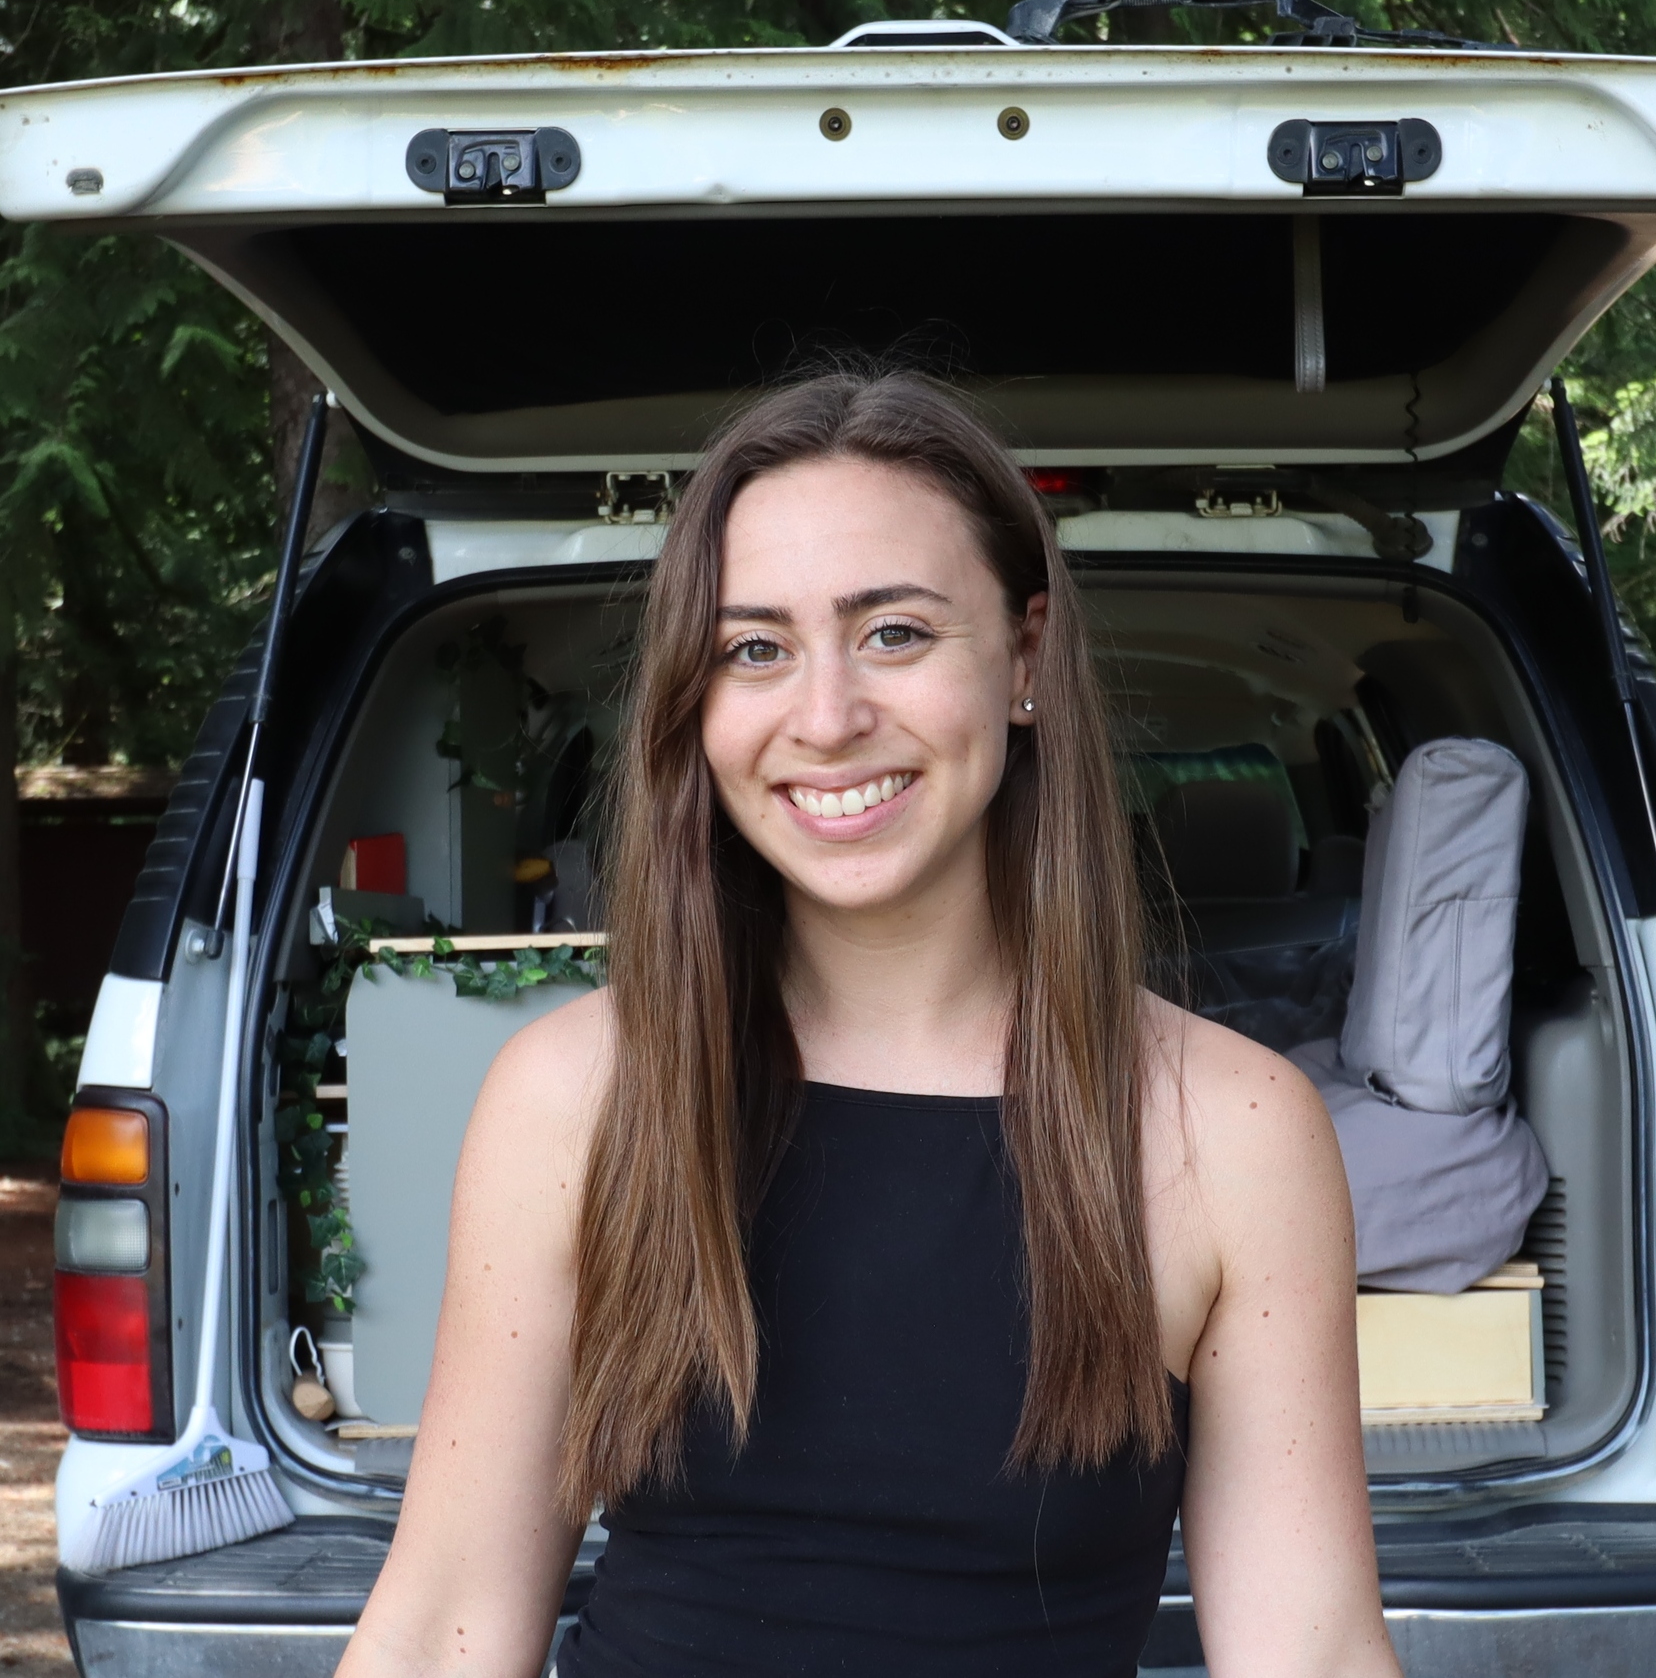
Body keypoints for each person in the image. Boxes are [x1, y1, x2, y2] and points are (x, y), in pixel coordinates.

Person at [338, 371, 1397, 1678]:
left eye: (892, 632)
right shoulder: (574, 1093)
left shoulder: (1230, 1128)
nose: (826, 718)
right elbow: (446, 1623)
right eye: (753, 648)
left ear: (1021, 657)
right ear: (695, 701)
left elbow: (1314, 1651)